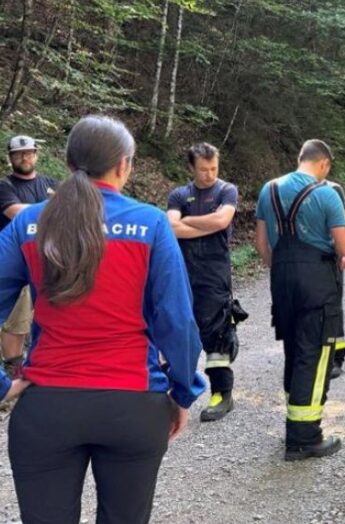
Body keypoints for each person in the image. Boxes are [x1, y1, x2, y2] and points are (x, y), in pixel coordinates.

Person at [0, 115, 205, 524]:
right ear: (124, 165)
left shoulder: (28, 223)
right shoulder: (149, 224)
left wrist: (3, 384)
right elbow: (177, 322)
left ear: (68, 162)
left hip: (47, 409)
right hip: (133, 405)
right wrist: (183, 391)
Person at [255, 139, 345, 460]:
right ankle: (304, 437)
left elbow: (261, 246)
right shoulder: (326, 194)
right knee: (315, 354)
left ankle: (293, 423)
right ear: (324, 164)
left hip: (281, 280)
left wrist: (283, 266)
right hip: (316, 282)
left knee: (293, 350)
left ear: (301, 159)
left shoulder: (267, 190)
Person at [167, 143, 240, 422]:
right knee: (179, 331)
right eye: (203, 169)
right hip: (183, 271)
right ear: (191, 168)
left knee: (216, 333)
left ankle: (222, 393)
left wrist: (188, 223)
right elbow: (170, 226)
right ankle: (176, 394)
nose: (209, 174)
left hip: (214, 273)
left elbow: (222, 221)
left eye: (213, 169)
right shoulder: (179, 194)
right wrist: (204, 224)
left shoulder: (226, 190)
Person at [0, 135, 58, 379]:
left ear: (36, 154)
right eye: (19, 153)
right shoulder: (5, 186)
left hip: (51, 259)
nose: (24, 157)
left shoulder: (51, 183)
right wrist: (55, 208)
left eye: (29, 152)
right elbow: (16, 213)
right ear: (10, 157)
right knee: (18, 321)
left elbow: (75, 211)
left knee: (52, 316)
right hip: (17, 262)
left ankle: (47, 368)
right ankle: (13, 371)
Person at [325, 179, 345, 379]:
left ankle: (336, 357)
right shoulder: (297, 187)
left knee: (332, 305)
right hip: (305, 257)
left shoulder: (334, 189)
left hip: (330, 255)